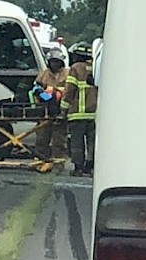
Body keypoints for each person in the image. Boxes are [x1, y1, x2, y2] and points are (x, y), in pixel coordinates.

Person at [62, 43, 98, 176]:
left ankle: (78, 168)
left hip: (77, 114)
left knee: (77, 142)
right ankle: (90, 166)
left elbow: (69, 90)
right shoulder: (97, 67)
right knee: (93, 142)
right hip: (95, 114)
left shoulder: (76, 68)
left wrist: (63, 109)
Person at [33, 47, 69, 165]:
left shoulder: (67, 74)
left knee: (59, 140)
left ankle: (58, 164)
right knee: (42, 139)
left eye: (57, 61)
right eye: (53, 61)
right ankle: (40, 161)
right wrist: (42, 95)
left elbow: (69, 91)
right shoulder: (44, 74)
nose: (55, 64)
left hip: (60, 110)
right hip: (45, 110)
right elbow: (36, 88)